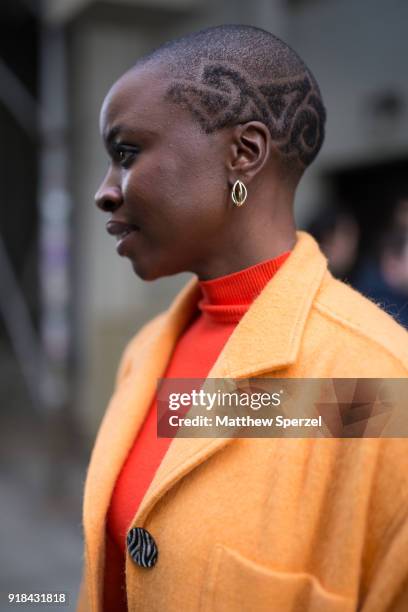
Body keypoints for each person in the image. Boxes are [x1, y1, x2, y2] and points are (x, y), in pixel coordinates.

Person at [77, 25, 408, 612]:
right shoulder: (146, 350)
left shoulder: (383, 381)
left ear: (244, 153)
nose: (105, 192)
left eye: (126, 153)